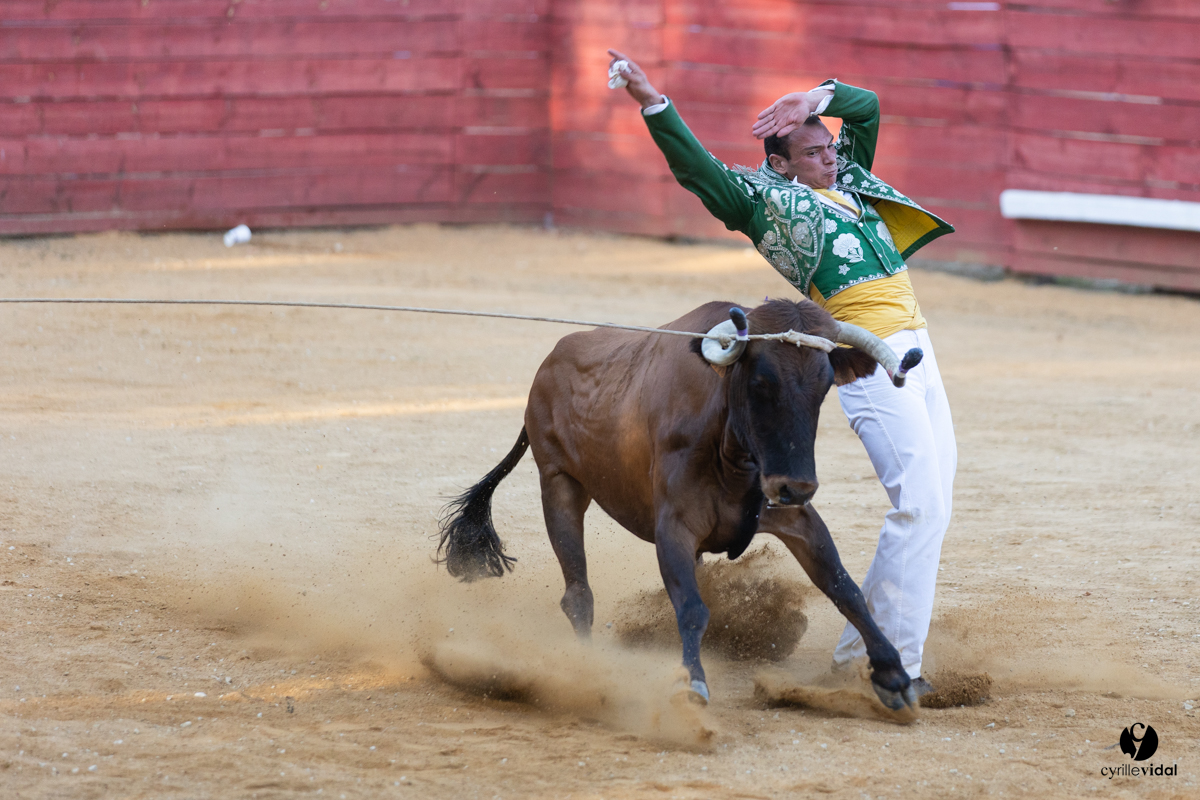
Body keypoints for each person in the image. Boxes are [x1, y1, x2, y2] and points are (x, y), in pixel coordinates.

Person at [607, 49, 957, 695]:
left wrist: (813, 99)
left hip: (918, 346)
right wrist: (651, 101)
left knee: (933, 505)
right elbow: (699, 172)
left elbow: (869, 109)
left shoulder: (849, 183)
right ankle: (895, 665)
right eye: (814, 151)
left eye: (829, 147)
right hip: (865, 349)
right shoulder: (767, 205)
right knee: (921, 504)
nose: (830, 157)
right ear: (781, 165)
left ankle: (860, 651)